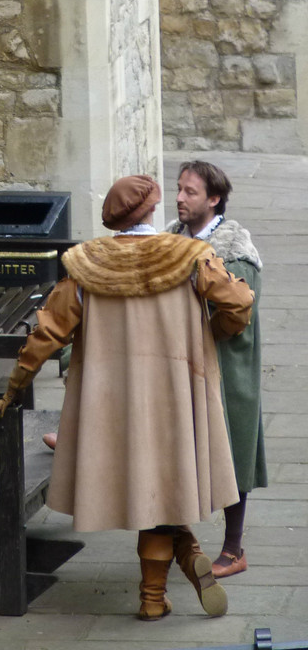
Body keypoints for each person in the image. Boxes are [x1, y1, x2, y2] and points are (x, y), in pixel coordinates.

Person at [0, 175, 254, 621]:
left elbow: (46, 334)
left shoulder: (86, 267)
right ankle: (179, 562)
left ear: (115, 220)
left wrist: (12, 389)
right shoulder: (191, 257)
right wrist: (210, 335)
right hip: (178, 396)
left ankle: (158, 594)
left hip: (114, 408)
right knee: (166, 491)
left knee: (150, 495)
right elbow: (239, 304)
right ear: (152, 210)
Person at [167, 160, 265, 578]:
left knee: (232, 449)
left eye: (190, 192)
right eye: (178, 189)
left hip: (227, 364)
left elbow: (236, 314)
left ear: (213, 199)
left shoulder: (234, 252)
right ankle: (177, 537)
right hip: (182, 361)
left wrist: (200, 334)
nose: (179, 198)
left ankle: (233, 549)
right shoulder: (173, 238)